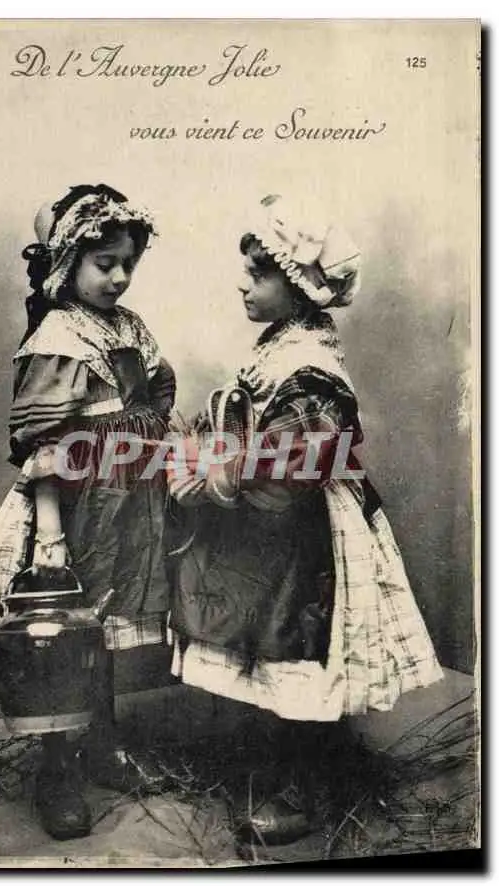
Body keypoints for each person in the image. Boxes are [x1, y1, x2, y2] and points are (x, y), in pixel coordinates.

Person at [165, 193, 444, 844]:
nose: (244, 282)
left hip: (304, 524)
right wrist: (200, 444)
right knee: (272, 642)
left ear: (299, 288)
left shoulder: (311, 368)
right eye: (247, 269)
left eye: (260, 272)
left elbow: (293, 461)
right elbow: (243, 423)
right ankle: (283, 764)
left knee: (304, 644)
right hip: (269, 525)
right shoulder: (277, 346)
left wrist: (213, 476)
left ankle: (311, 788)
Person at [0, 183, 176, 840]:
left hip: (126, 503)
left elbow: (156, 394)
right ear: (68, 261)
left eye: (128, 263)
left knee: (102, 631)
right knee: (59, 641)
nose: (119, 277)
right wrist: (49, 534)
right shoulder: (58, 336)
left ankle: (103, 746)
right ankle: (57, 770)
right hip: (71, 509)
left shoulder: (127, 326)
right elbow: (43, 448)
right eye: (105, 263)